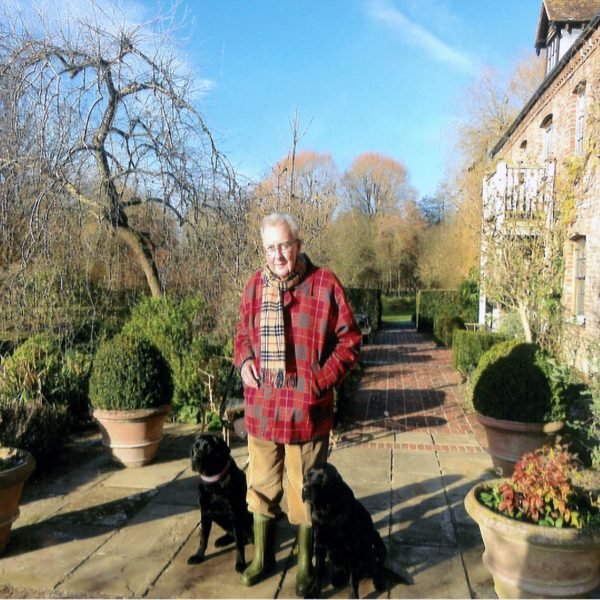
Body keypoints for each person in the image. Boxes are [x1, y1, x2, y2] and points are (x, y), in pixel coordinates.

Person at [234, 212, 362, 595]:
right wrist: (245, 362)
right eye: (271, 248)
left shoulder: (324, 284)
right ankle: (264, 556)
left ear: (298, 245)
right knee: (260, 485)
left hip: (306, 410)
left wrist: (318, 382)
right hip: (262, 407)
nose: (278, 255)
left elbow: (350, 341)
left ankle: (306, 563)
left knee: (305, 490)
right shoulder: (256, 285)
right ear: (264, 250)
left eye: (284, 245)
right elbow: (242, 333)